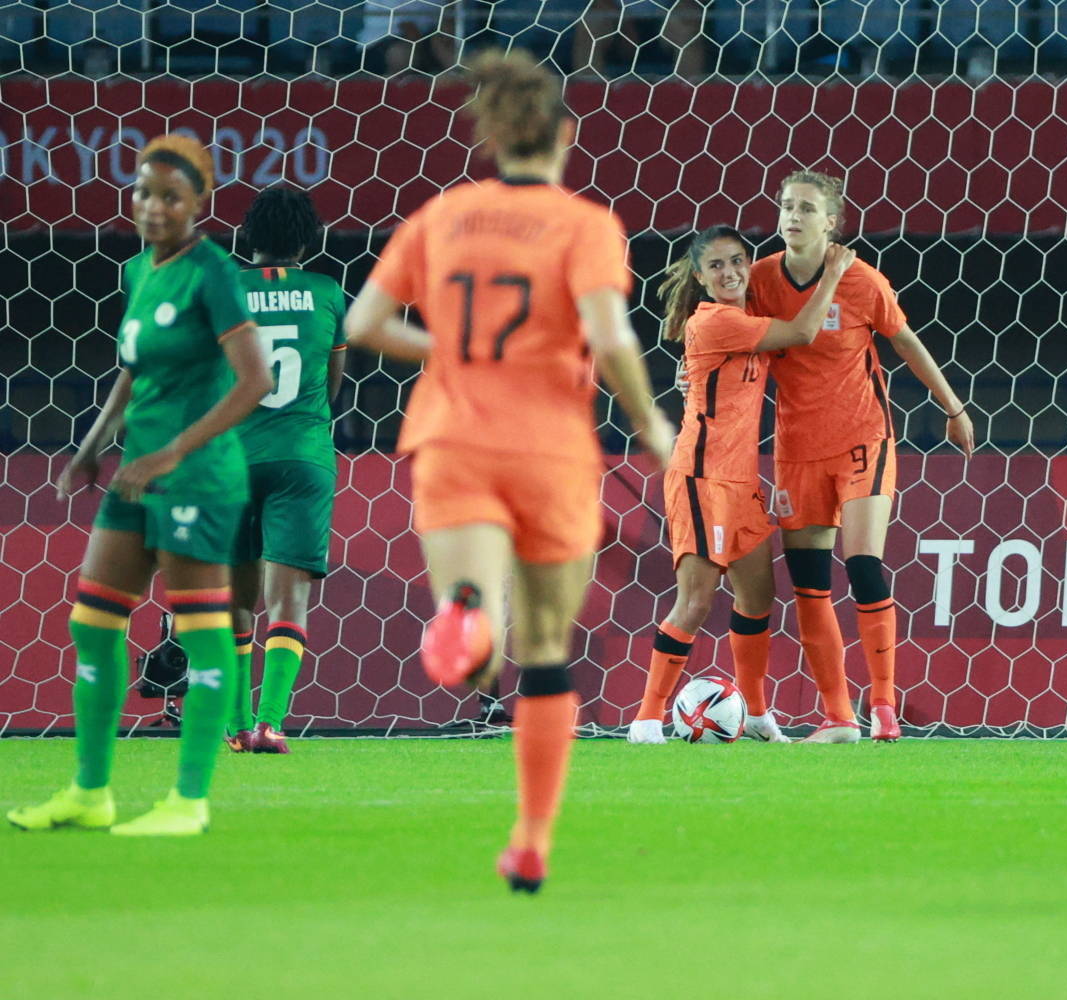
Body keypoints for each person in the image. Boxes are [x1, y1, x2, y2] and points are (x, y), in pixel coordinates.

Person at [344, 50, 673, 892]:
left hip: (453, 436)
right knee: (551, 648)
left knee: (479, 631)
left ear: (490, 138)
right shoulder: (585, 224)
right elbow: (609, 338)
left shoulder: (444, 215)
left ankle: (467, 621)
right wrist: (652, 426)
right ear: (565, 134)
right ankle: (530, 838)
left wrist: (448, 349)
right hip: (552, 448)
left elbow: (365, 322)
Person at [8, 134, 273, 836]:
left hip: (197, 480)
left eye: (170, 197)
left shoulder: (212, 271)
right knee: (92, 621)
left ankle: (188, 800)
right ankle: (90, 792)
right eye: (144, 193)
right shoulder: (138, 270)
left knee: (201, 630)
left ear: (200, 204)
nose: (153, 208)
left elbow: (256, 379)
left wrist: (174, 453)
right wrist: (92, 446)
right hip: (135, 475)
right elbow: (132, 368)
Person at [748, 169, 975, 744]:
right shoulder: (759, 280)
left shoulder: (863, 281)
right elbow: (730, 337)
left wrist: (953, 407)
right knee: (808, 584)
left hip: (862, 438)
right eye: (785, 206)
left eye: (805, 208)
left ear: (832, 222)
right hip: (797, 449)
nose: (792, 216)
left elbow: (905, 342)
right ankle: (838, 716)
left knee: (864, 562)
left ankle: (883, 704)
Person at [627, 226, 855, 745]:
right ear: (702, 278)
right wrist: (834, 271)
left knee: (757, 598)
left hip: (742, 480)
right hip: (703, 476)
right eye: (716, 266)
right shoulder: (715, 321)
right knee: (697, 599)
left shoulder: (745, 320)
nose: (729, 273)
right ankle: (646, 719)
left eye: (737, 261)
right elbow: (800, 334)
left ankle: (756, 716)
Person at [225, 187, 347, 755]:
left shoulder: (224, 291)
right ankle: (271, 725)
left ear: (247, 238)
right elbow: (334, 379)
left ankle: (235, 726)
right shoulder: (327, 292)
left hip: (230, 457)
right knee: (287, 600)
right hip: (303, 456)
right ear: (307, 240)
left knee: (234, 599)